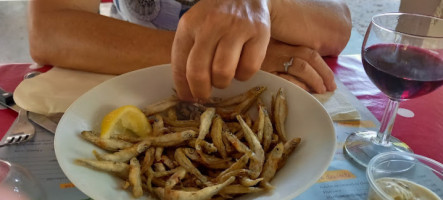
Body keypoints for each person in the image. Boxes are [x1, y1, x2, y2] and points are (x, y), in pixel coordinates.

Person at [28, 0, 352, 102]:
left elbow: (337, 26)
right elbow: (51, 29)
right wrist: (221, 54)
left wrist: (262, 5)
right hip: (128, 87)